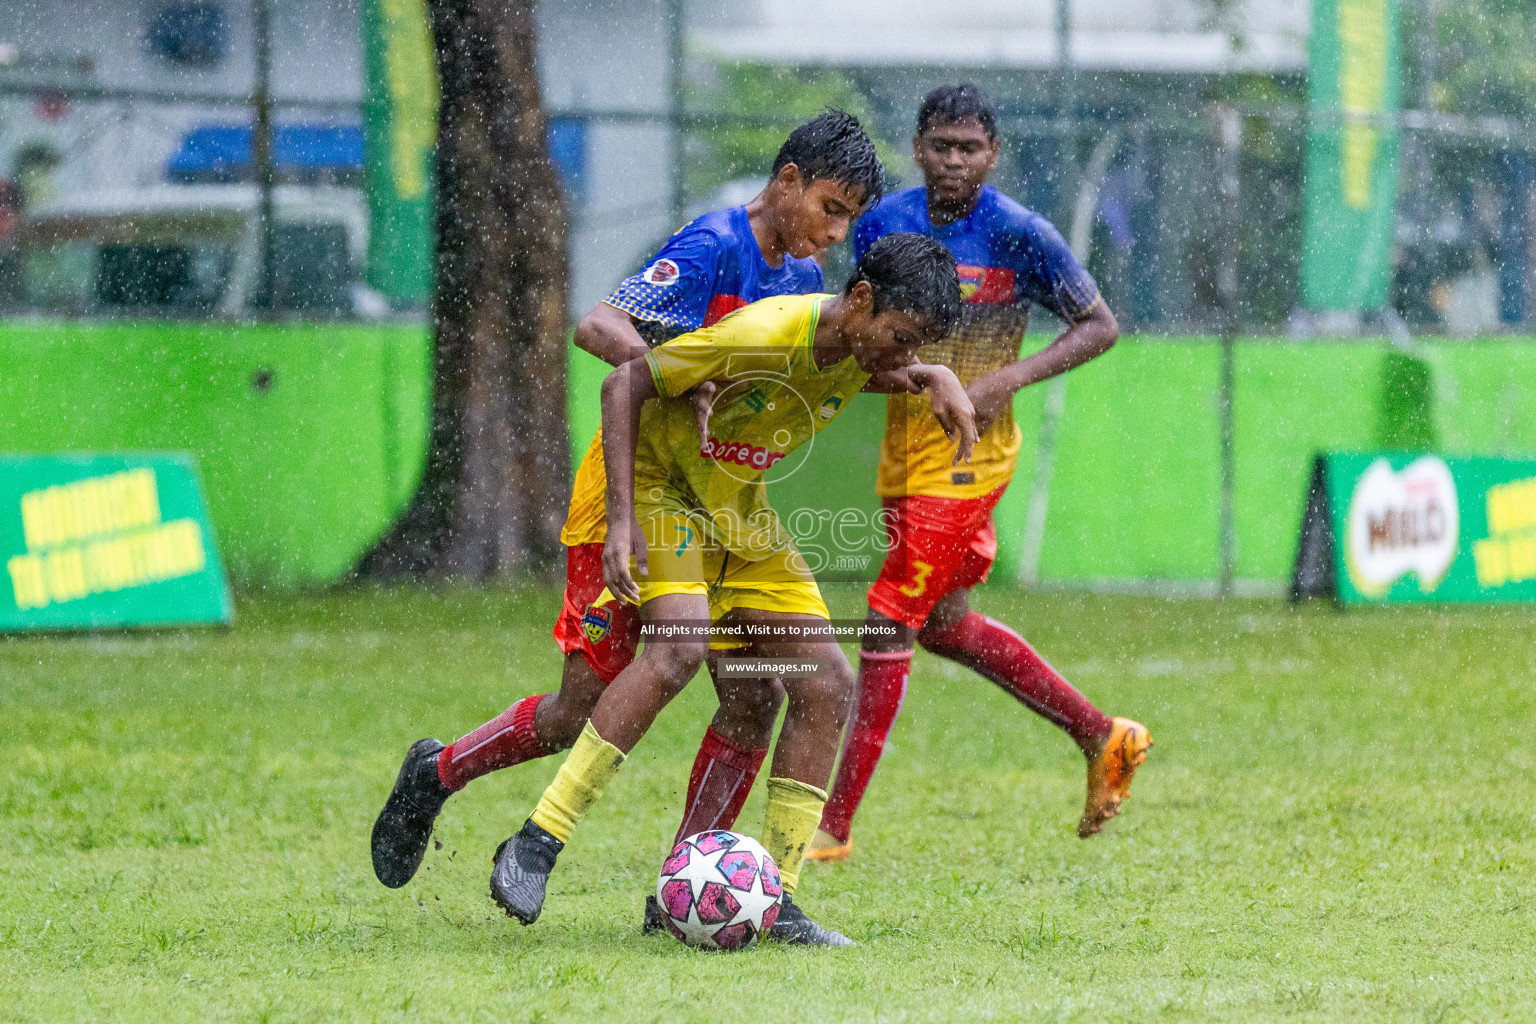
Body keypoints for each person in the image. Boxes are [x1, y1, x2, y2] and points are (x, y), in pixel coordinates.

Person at [370, 112, 885, 894]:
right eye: (831, 207)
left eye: (849, 218)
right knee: (578, 710)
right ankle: (437, 772)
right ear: (787, 181)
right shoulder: (714, 245)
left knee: (755, 695)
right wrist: (677, 369)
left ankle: (688, 889)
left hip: (715, 516)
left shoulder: (806, 284)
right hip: (632, 494)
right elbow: (598, 324)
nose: (836, 231)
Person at [488, 233, 976, 946]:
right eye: (900, 339)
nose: (900, 357)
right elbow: (623, 383)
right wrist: (622, 520)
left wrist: (935, 372)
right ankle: (539, 840)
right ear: (861, 300)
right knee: (678, 649)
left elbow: (866, 371)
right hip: (666, 496)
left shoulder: (861, 347)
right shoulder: (763, 332)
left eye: (914, 346)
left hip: (739, 513)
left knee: (826, 682)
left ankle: (775, 899)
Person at [806, 83, 1152, 865]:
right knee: (945, 625)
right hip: (905, 450)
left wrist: (1006, 381)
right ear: (918, 147)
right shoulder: (883, 224)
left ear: (993, 155)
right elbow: (851, 319)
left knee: (889, 613)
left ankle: (833, 826)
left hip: (970, 458)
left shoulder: (1021, 234)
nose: (954, 161)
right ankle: (1105, 737)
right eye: (941, 145)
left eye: (969, 148)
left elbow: (1100, 326)